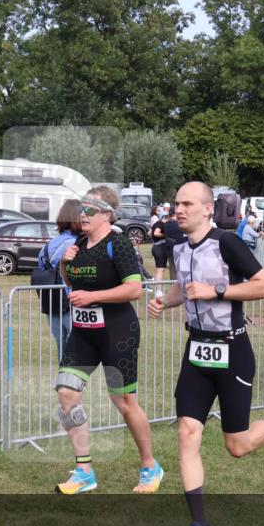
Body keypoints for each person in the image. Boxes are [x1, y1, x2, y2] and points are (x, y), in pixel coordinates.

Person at [146, 181, 264, 526]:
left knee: (236, 446)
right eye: (176, 204)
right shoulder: (179, 247)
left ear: (207, 208)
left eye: (187, 203)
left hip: (232, 351)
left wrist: (217, 291)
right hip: (197, 352)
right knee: (187, 433)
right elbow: (184, 286)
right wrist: (165, 302)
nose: (179, 209)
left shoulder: (228, 243)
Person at [53, 185, 162, 495]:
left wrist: (93, 297)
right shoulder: (77, 244)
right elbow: (74, 283)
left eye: (90, 209)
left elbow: (133, 289)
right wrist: (64, 263)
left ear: (107, 215)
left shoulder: (120, 244)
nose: (82, 214)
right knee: (66, 394)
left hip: (118, 333)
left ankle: (149, 465)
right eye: (80, 208)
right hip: (83, 335)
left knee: (125, 404)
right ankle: (84, 471)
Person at [37, 199, 81, 349]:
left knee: (62, 347)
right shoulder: (79, 245)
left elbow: (41, 268)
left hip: (52, 303)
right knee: (76, 350)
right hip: (74, 303)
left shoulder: (48, 245)